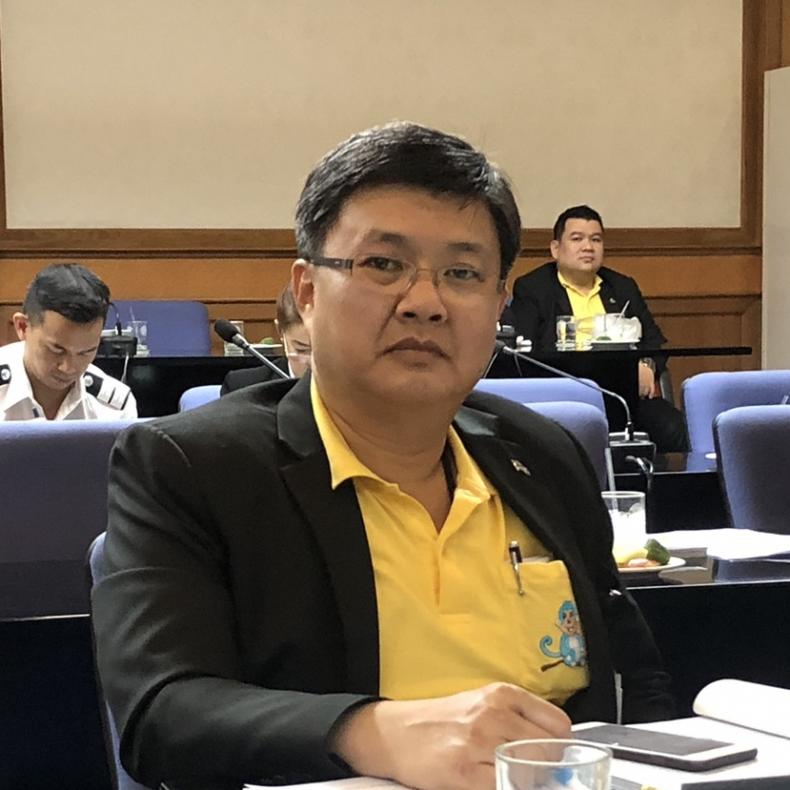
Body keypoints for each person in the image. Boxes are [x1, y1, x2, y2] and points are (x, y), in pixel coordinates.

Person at [93, 124, 673, 790]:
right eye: (383, 265)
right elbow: (160, 712)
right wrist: (371, 732)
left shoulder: (542, 454)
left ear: (498, 305)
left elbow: (636, 676)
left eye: (462, 273)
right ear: (307, 292)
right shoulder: (193, 466)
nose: (425, 303)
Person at [507, 205, 689, 452]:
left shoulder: (622, 287)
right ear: (556, 249)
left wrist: (647, 363)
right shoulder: (534, 288)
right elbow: (527, 352)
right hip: (566, 394)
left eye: (596, 239)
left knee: (677, 429)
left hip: (624, 394)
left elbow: (654, 340)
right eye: (577, 239)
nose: (588, 247)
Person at [0, 263, 136, 421]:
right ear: (23, 327)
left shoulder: (114, 408)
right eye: (57, 350)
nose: (69, 368)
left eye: (86, 352)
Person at [220, 283, 311, 393]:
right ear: (280, 331)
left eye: (326, 349)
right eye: (302, 350)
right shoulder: (242, 387)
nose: (314, 363)